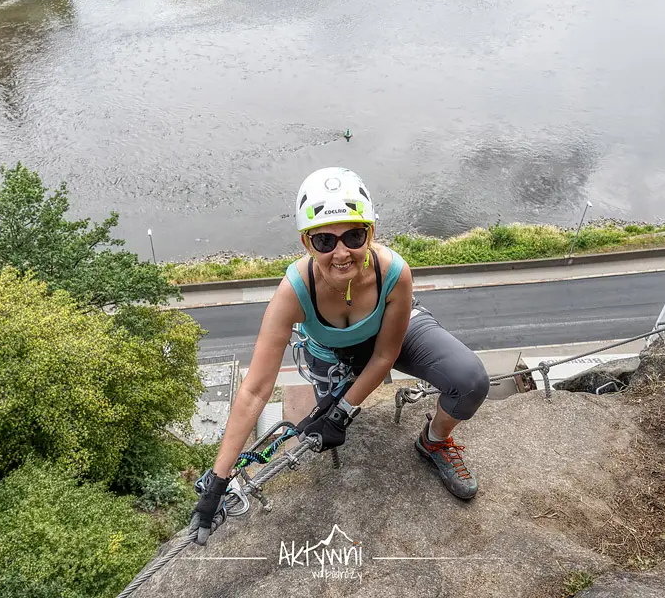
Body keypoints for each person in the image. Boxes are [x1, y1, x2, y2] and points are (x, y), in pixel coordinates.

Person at [190, 167, 491, 546]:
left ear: (371, 233)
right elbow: (255, 390)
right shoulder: (294, 291)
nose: (341, 252)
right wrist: (218, 481)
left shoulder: (392, 273)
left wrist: (343, 410)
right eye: (324, 241)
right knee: (328, 433)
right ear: (305, 243)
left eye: (353, 235)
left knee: (470, 380)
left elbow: (386, 353)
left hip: (392, 332)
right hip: (331, 356)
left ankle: (434, 440)